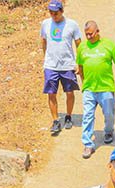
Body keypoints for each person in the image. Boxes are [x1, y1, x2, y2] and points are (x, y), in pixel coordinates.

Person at [76, 21, 115, 159]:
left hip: (106, 88)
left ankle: (108, 131)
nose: (89, 36)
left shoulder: (108, 45)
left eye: (91, 33)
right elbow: (80, 66)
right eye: (86, 34)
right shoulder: (82, 47)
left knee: (109, 114)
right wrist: (84, 83)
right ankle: (88, 144)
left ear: (98, 31)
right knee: (87, 116)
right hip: (89, 89)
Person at [40, 0, 82, 137]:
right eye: (51, 13)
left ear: (62, 11)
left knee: (69, 92)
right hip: (51, 65)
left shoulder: (72, 25)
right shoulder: (45, 24)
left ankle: (68, 116)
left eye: (56, 13)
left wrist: (79, 63)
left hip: (67, 65)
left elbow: (79, 45)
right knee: (51, 93)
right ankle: (55, 120)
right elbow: (44, 41)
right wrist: (46, 58)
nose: (53, 16)